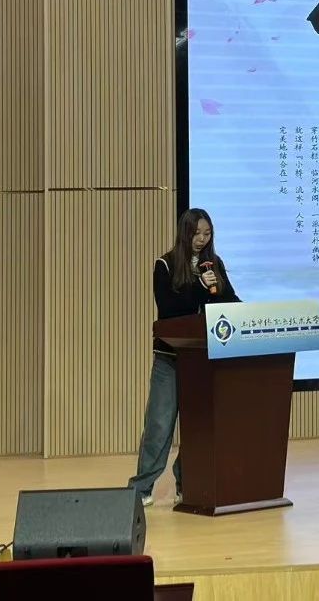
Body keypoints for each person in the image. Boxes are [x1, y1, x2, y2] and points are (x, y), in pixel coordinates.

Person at [128, 208, 240, 507]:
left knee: (197, 427)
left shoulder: (214, 265)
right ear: (185, 233)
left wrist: (247, 311)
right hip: (170, 358)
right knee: (159, 425)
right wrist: (199, 288)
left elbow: (229, 300)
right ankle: (141, 488)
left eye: (207, 233)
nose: (202, 239)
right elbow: (169, 309)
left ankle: (187, 483)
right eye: (197, 233)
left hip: (202, 360)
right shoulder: (165, 264)